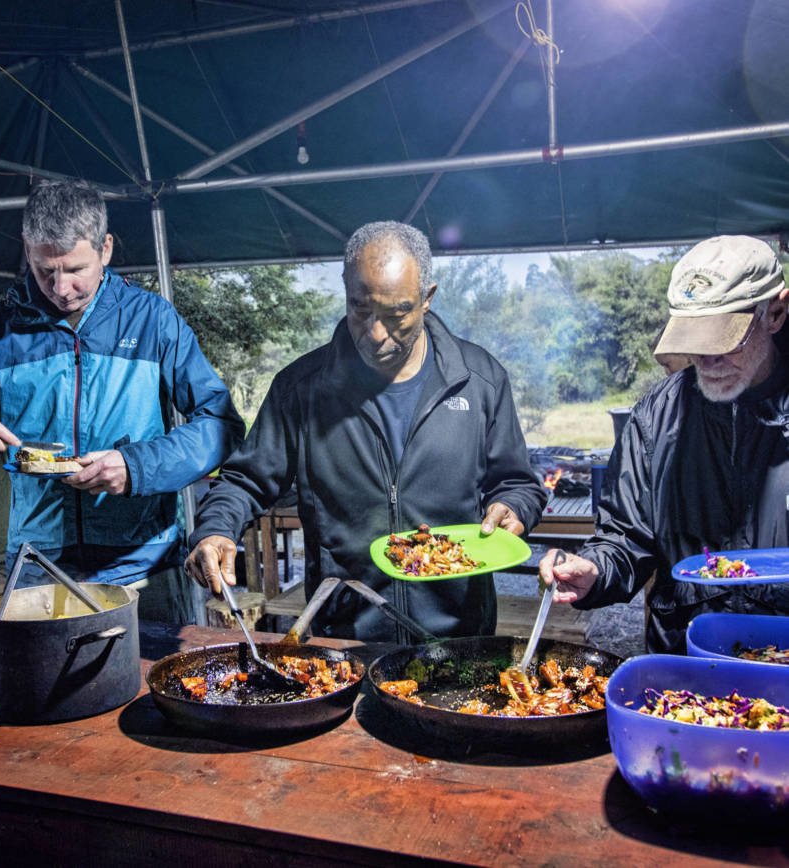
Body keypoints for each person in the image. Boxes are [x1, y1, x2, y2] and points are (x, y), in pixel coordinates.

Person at [0, 180, 244, 623]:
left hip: (143, 568)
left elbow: (221, 424)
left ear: (106, 249)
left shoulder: (153, 321)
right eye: (44, 270)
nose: (61, 288)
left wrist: (136, 467)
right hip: (38, 569)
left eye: (75, 268)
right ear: (28, 250)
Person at [187, 220, 546, 642]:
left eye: (397, 314)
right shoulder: (302, 388)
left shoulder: (479, 379)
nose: (376, 335)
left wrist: (514, 507)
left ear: (426, 298)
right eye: (360, 309)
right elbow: (244, 481)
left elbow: (517, 483)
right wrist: (214, 529)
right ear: (345, 288)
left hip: (460, 635)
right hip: (346, 636)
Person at [539, 235, 789, 653]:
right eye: (695, 340)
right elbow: (625, 538)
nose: (706, 360)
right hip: (685, 663)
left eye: (725, 338)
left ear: (776, 312)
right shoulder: (658, 416)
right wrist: (596, 570)